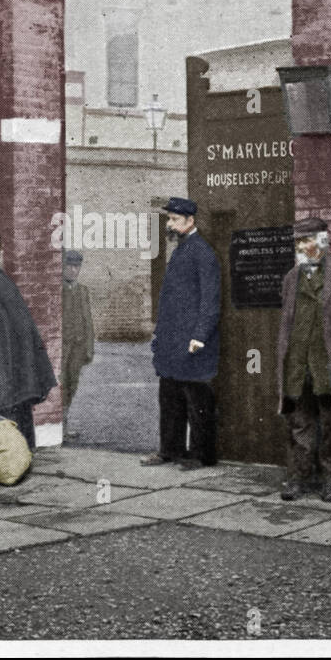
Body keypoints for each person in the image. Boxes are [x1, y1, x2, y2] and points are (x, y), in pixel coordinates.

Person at [274, 217, 331, 501]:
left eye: (308, 239)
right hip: (297, 365)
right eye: (299, 241)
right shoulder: (292, 278)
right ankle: (299, 478)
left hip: (330, 365)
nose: (303, 246)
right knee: (299, 424)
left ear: (324, 240)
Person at [143, 197, 221, 469]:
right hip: (173, 342)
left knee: (196, 400)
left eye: (175, 219)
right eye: (169, 219)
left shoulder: (201, 252)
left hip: (192, 343)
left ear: (190, 221)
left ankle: (200, 455)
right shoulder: (182, 250)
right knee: (170, 397)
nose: (170, 224)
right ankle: (170, 450)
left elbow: (210, 300)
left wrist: (199, 336)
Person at [0, 228, 58, 452]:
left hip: (3, 369)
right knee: (21, 416)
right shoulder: (5, 283)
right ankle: (24, 454)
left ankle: (12, 459)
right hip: (21, 367)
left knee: (5, 419)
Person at [60, 249, 95, 439]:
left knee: (73, 385)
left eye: (77, 266)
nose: (73, 271)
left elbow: (88, 321)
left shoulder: (82, 291)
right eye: (70, 266)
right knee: (61, 386)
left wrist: (89, 348)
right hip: (63, 347)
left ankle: (65, 425)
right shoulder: (58, 290)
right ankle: (59, 428)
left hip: (78, 347)